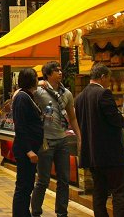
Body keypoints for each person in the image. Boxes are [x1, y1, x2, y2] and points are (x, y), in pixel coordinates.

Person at [75, 64, 124, 217]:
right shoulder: (103, 93)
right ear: (103, 77)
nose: (109, 82)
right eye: (109, 78)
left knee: (99, 192)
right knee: (120, 192)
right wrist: (123, 119)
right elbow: (113, 118)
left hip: (92, 154)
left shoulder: (79, 97)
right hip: (110, 154)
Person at [31, 61, 81, 217]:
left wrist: (79, 137)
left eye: (60, 70)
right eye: (56, 70)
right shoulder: (39, 91)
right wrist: (37, 83)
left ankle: (62, 213)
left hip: (62, 140)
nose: (60, 72)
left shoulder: (67, 94)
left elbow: (72, 118)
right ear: (48, 74)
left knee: (64, 180)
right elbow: (19, 94)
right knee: (43, 180)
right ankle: (36, 212)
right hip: (45, 142)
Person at [11, 68, 43, 217]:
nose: (38, 80)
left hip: (29, 147)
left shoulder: (27, 96)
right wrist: (29, 150)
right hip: (26, 150)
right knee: (23, 186)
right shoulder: (22, 98)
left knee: (27, 184)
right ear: (31, 80)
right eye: (36, 77)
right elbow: (21, 126)